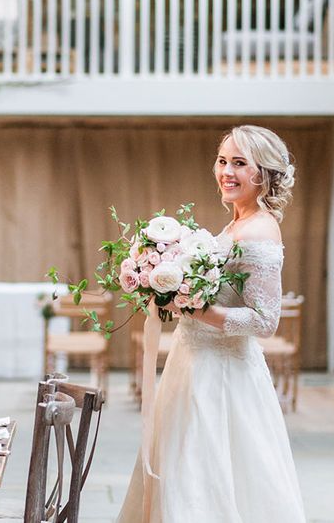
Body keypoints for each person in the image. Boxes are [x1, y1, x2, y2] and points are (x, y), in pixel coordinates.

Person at [116, 125, 306, 523]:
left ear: (264, 174)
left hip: (221, 376)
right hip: (189, 364)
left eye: (240, 163)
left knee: (204, 474)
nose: (227, 171)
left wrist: (189, 304)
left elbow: (264, 320)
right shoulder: (237, 224)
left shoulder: (259, 232)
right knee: (180, 466)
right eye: (222, 161)